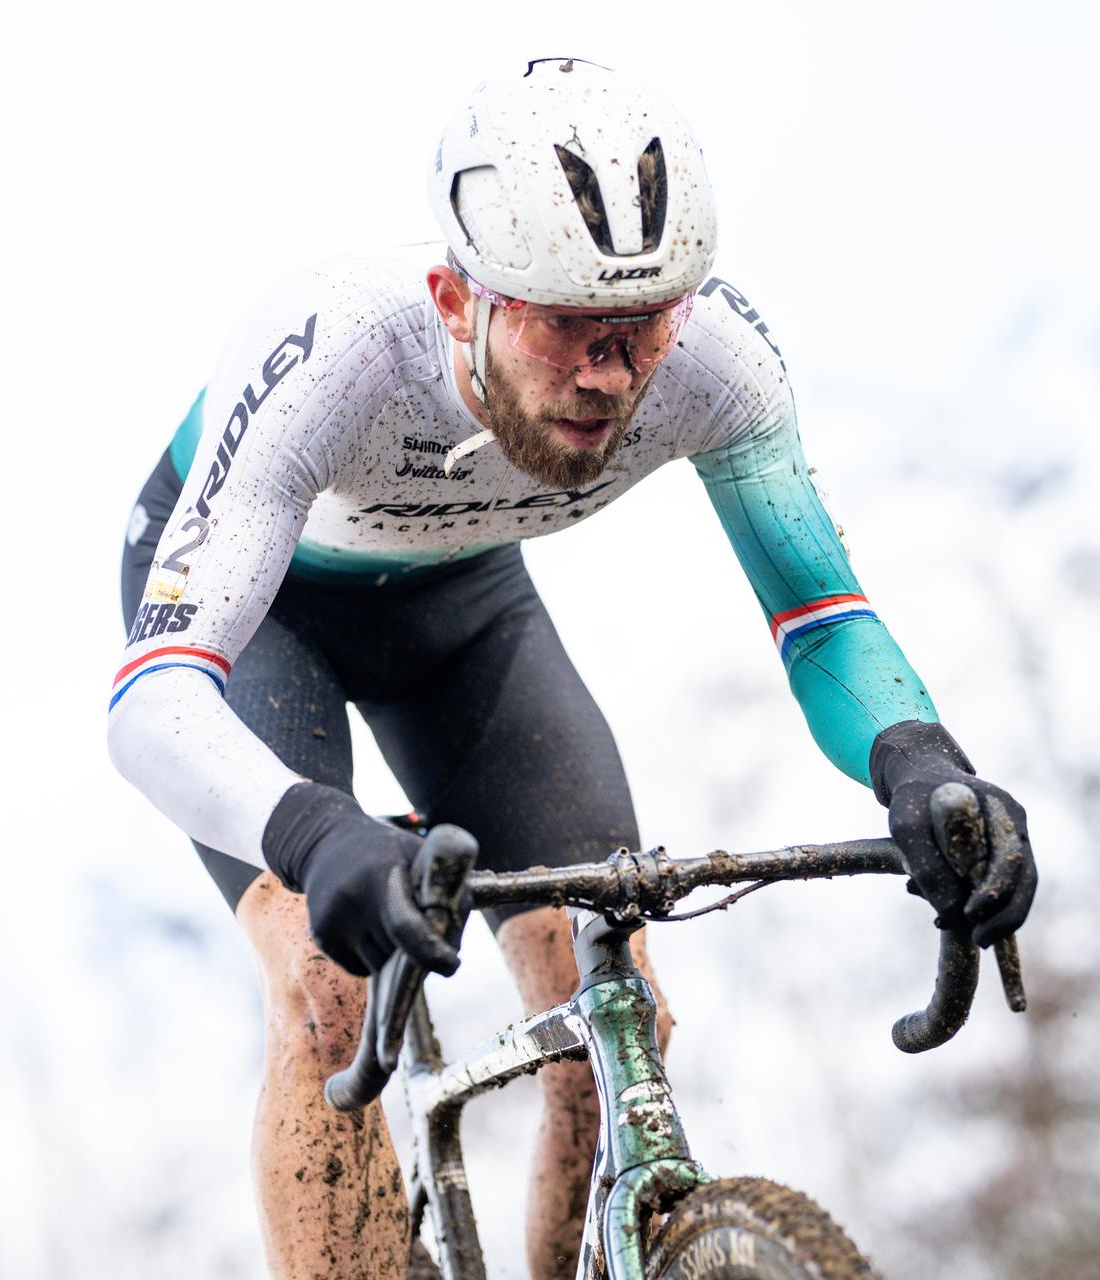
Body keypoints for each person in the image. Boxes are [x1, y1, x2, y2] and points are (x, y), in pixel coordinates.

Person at [107, 56, 1038, 1280]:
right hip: (263, 612)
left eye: (642, 323)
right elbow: (153, 698)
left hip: (463, 612)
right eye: (565, 328)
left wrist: (920, 763)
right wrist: (314, 833)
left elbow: (821, 613)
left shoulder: (717, 365)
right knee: (327, 993)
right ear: (456, 297)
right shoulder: (336, 347)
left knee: (615, 1018)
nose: (609, 374)